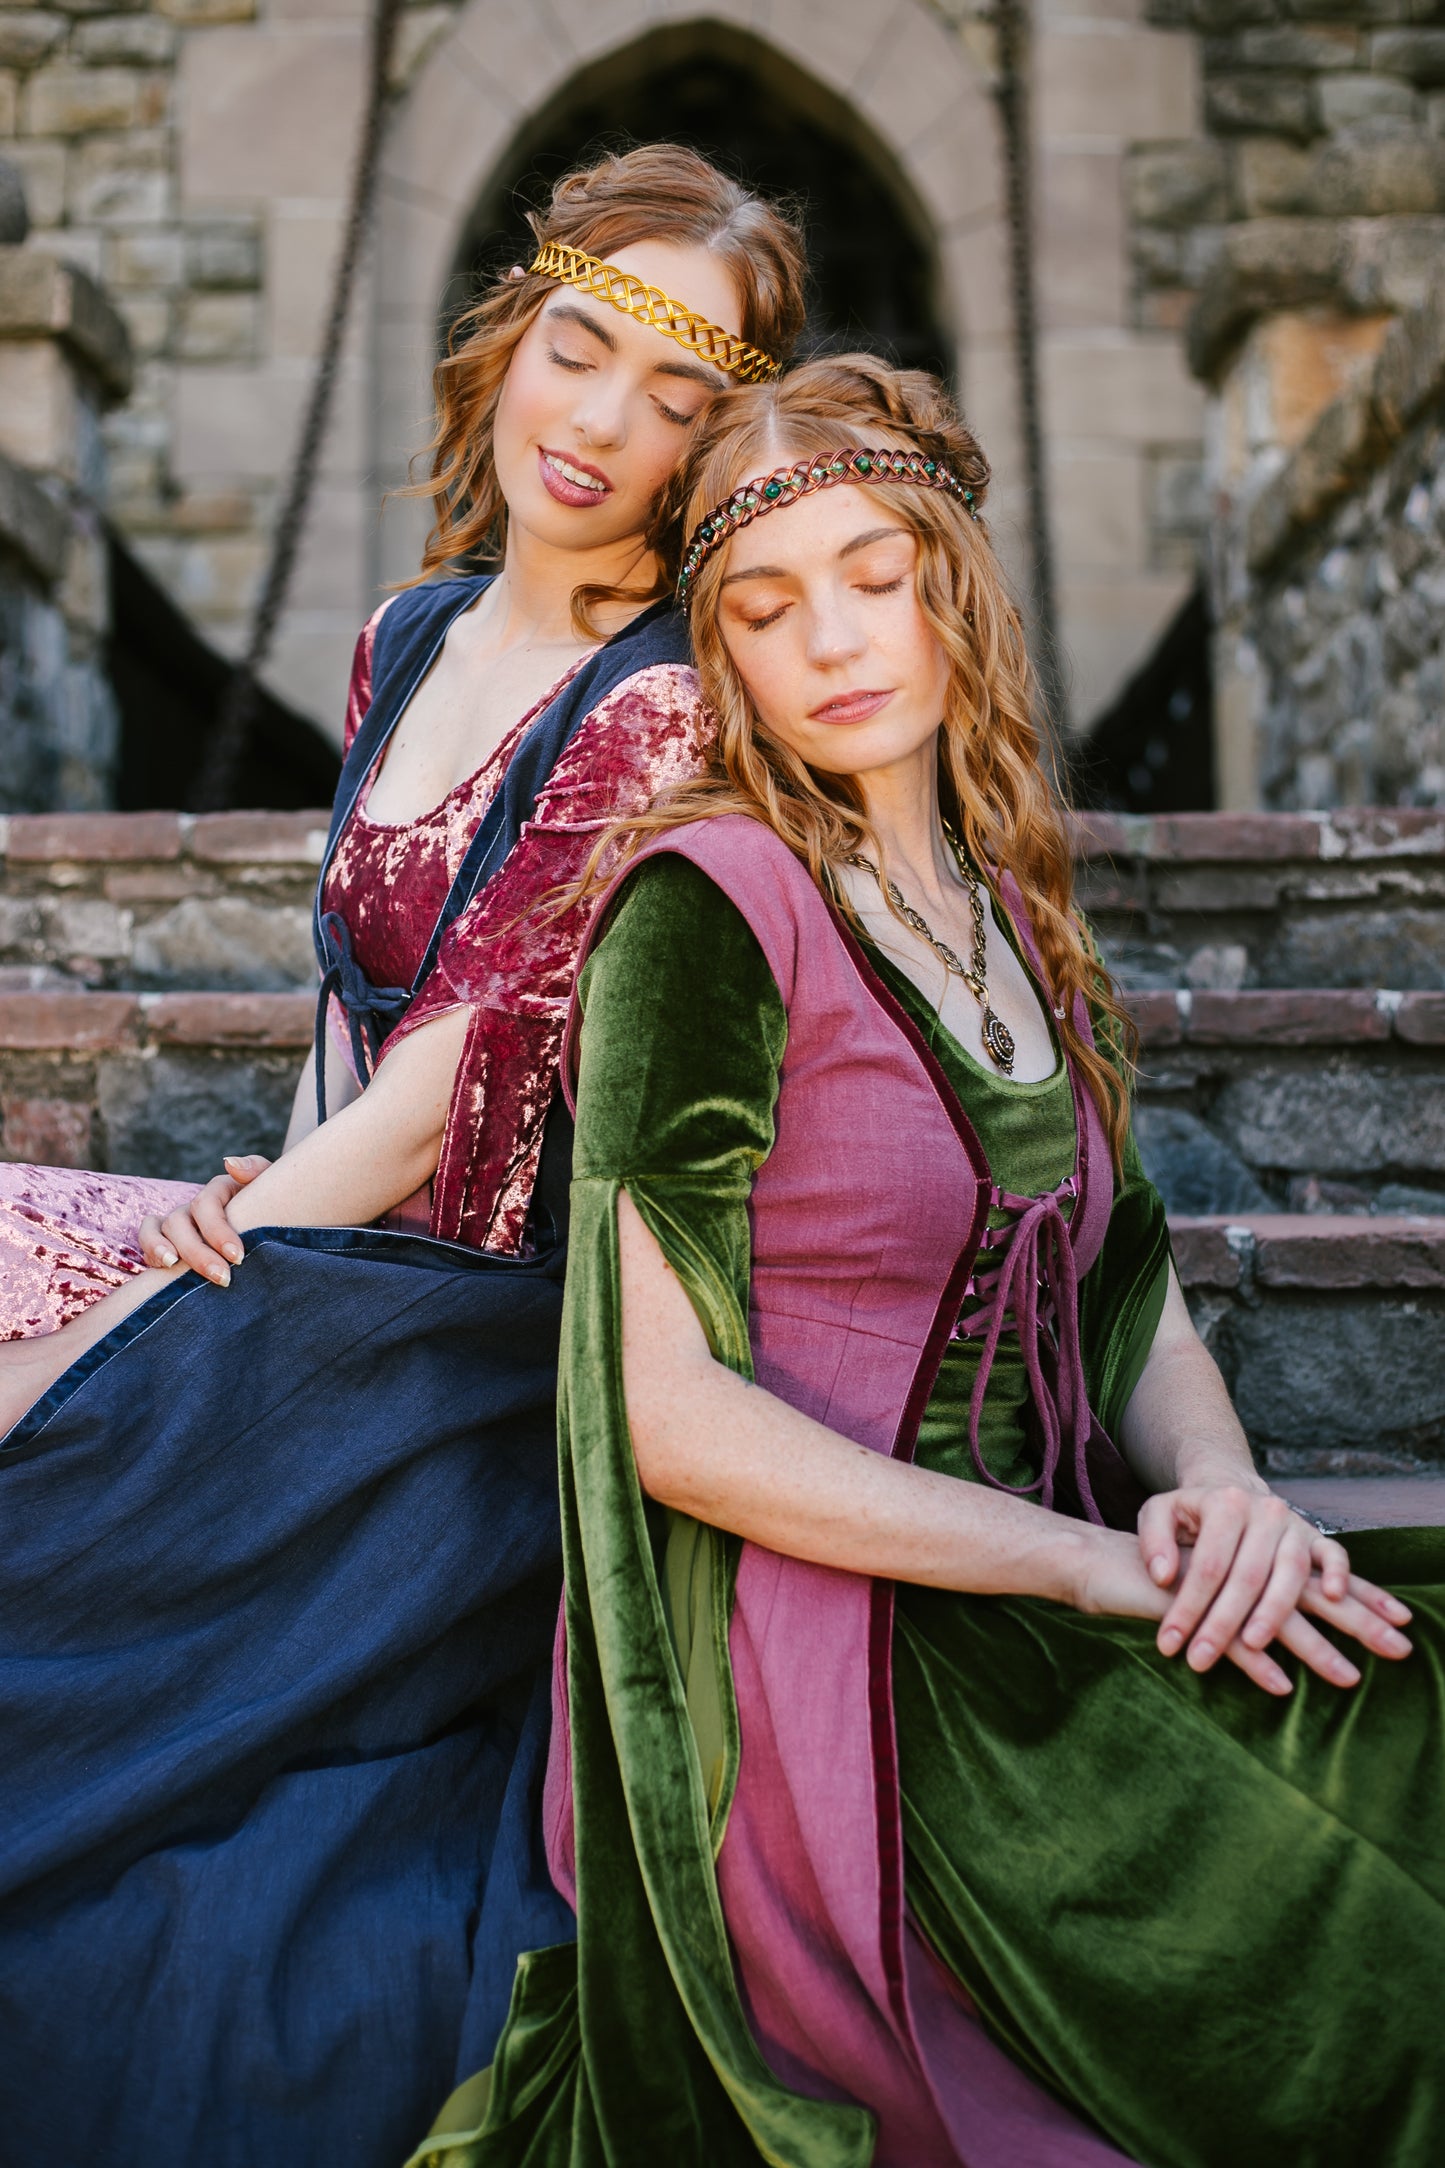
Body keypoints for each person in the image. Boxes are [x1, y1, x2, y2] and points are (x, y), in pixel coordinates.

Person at [422, 356, 1445, 2168]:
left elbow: (1128, 1291)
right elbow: (670, 1423)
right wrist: (1090, 1571)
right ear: (717, 656)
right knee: (1365, 1936)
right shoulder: (704, 905)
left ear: (949, 583)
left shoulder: (1005, 915)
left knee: (1408, 1688)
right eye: (765, 604)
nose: (831, 637)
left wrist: (1221, 1492)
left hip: (1069, 1580)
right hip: (834, 1671)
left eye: (874, 575)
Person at [0, 147, 805, 2168]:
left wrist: (241, 1263)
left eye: (673, 401)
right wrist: (226, 1229)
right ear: (514, 336)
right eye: (580, 348)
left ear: (713, 447)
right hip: (337, 1251)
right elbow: (356, 1014)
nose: (603, 421)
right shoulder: (406, 632)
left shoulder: (660, 707)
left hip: (462, 1335)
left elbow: (467, 1073)